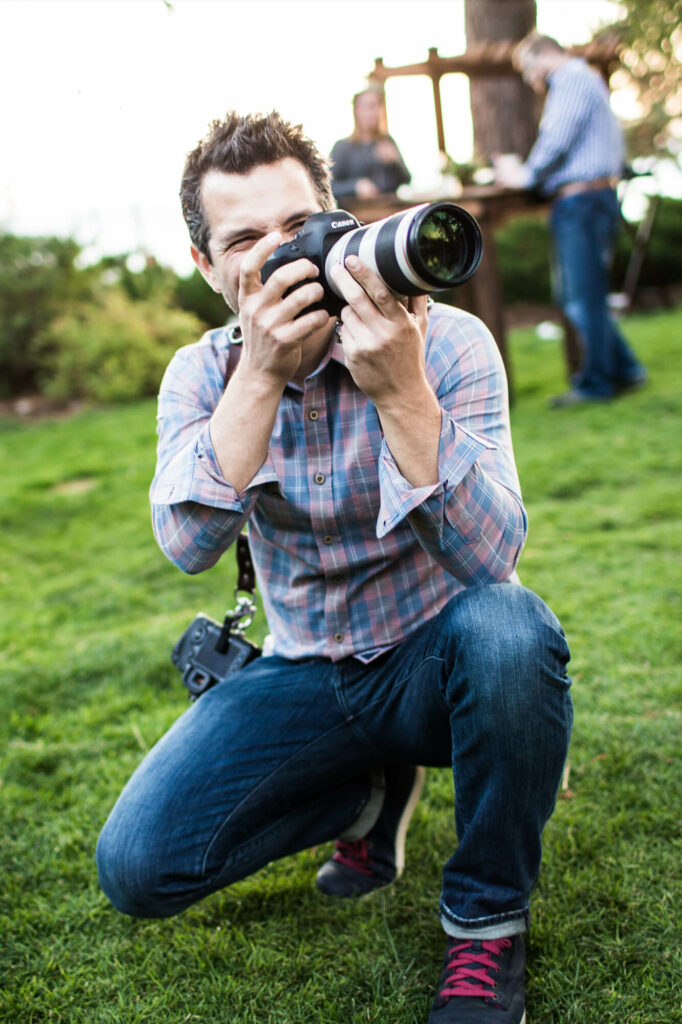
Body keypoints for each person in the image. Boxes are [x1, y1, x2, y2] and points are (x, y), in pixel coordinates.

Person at [96, 110, 573, 1024]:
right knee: (139, 867)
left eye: (297, 225)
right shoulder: (201, 377)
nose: (282, 255)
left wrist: (401, 389)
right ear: (208, 269)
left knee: (513, 633)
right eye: (244, 240)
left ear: (338, 220)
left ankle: (485, 925)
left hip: (437, 661)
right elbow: (190, 546)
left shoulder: (448, 343)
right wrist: (262, 375)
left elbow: (489, 557)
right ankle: (364, 797)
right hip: (304, 668)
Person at [494, 32, 647, 407]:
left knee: (581, 297)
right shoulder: (586, 79)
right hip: (590, 198)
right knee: (581, 294)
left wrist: (525, 176)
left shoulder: (570, 79)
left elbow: (556, 140)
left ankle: (596, 384)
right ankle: (626, 370)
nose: (531, 81)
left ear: (542, 55)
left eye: (529, 69)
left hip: (582, 201)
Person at [329, 86, 411, 200]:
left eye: (376, 107)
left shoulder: (387, 141)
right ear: (356, 111)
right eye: (367, 107)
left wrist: (395, 161)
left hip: (389, 210)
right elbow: (328, 187)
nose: (372, 113)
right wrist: (355, 187)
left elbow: (407, 180)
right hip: (357, 214)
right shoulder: (343, 147)